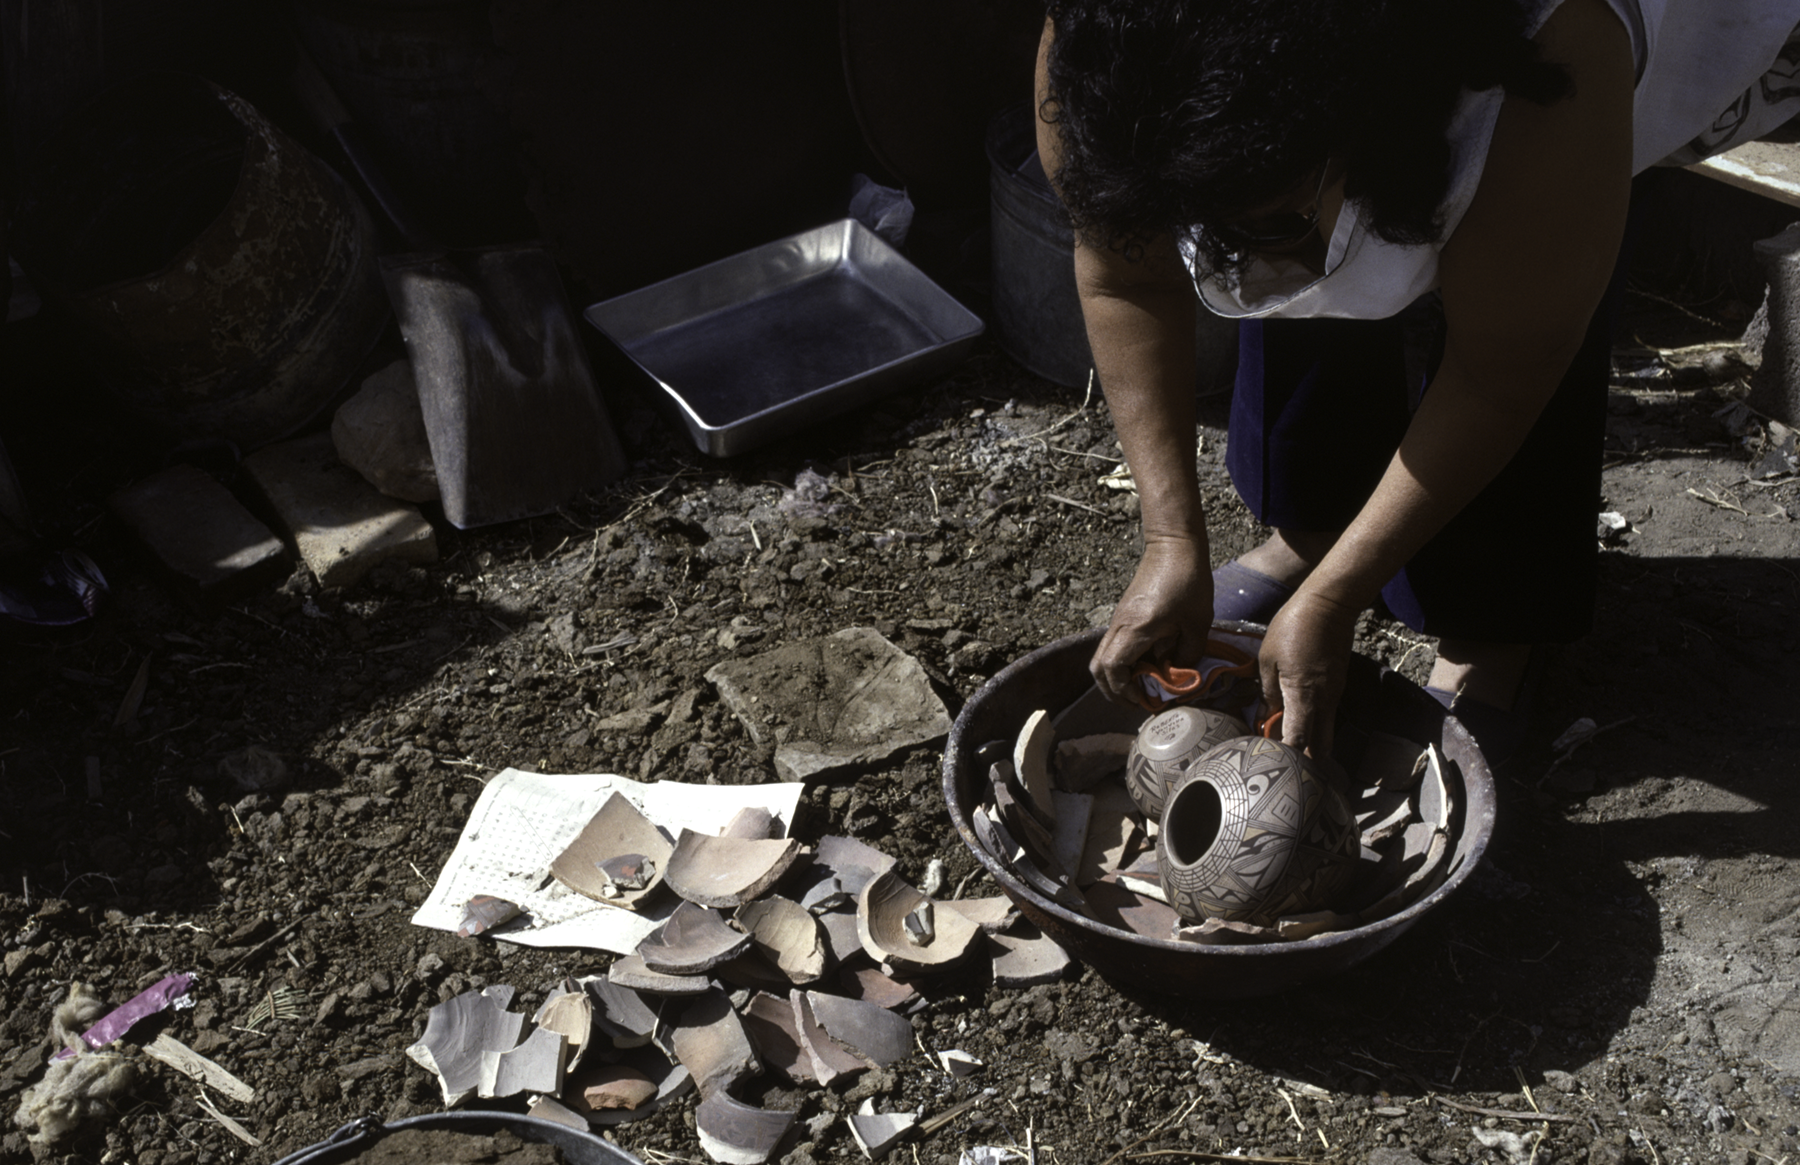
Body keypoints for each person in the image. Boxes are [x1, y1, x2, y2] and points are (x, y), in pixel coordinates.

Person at [1035, 0, 1800, 762]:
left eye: (1272, 219)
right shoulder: (1110, 55)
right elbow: (1126, 276)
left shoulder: (1551, 55)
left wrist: (1335, 600)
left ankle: (1489, 618)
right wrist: (1171, 540)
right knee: (1273, 227)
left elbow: (1500, 374)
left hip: (1525, 69)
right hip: (1296, 102)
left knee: (1521, 276)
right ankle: (1318, 523)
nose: (1223, 253)